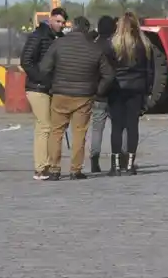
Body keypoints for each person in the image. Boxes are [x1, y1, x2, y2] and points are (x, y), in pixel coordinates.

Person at [40, 16, 114, 179]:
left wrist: (52, 85)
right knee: (79, 133)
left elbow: (44, 69)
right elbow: (108, 75)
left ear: (72, 27)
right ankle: (75, 170)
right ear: (87, 29)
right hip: (84, 96)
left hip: (60, 94)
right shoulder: (94, 49)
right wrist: (97, 91)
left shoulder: (58, 44)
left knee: (56, 132)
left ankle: (54, 169)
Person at [107, 12, 155, 175]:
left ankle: (115, 166)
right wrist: (148, 90)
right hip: (137, 87)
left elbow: (106, 68)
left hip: (116, 88)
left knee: (117, 127)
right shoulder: (144, 44)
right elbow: (150, 70)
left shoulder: (113, 43)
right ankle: (129, 165)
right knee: (132, 126)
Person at [21, 9, 65, 180]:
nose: (60, 25)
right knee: (44, 126)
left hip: (51, 88)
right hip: (37, 88)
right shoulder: (38, 36)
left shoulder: (59, 38)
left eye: (62, 23)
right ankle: (40, 167)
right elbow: (26, 61)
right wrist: (40, 79)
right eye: (58, 21)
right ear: (50, 19)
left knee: (48, 126)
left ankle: (46, 164)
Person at [88, 14, 119, 173]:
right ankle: (118, 160)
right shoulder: (115, 46)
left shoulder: (93, 46)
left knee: (97, 128)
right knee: (118, 127)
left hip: (98, 93)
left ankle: (94, 160)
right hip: (114, 92)